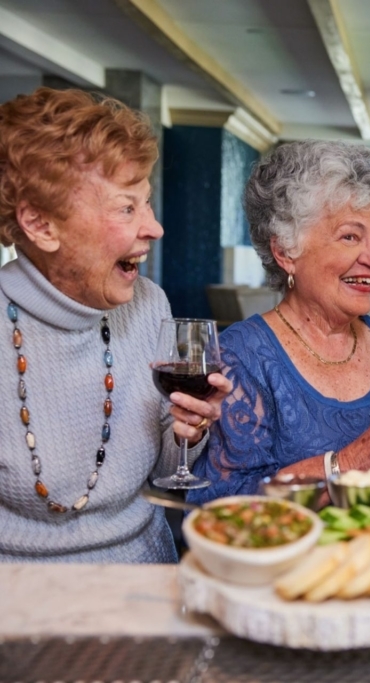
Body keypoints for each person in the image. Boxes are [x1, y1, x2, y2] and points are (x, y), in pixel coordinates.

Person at [0, 87, 231, 563]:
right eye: (127, 207)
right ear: (41, 225)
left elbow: (169, 463)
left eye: (146, 203)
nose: (154, 227)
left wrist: (190, 432)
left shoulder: (147, 305)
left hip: (144, 572)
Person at [189, 141, 370, 505]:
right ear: (285, 251)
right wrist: (348, 462)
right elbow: (226, 506)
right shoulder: (240, 356)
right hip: (298, 563)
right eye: (350, 236)